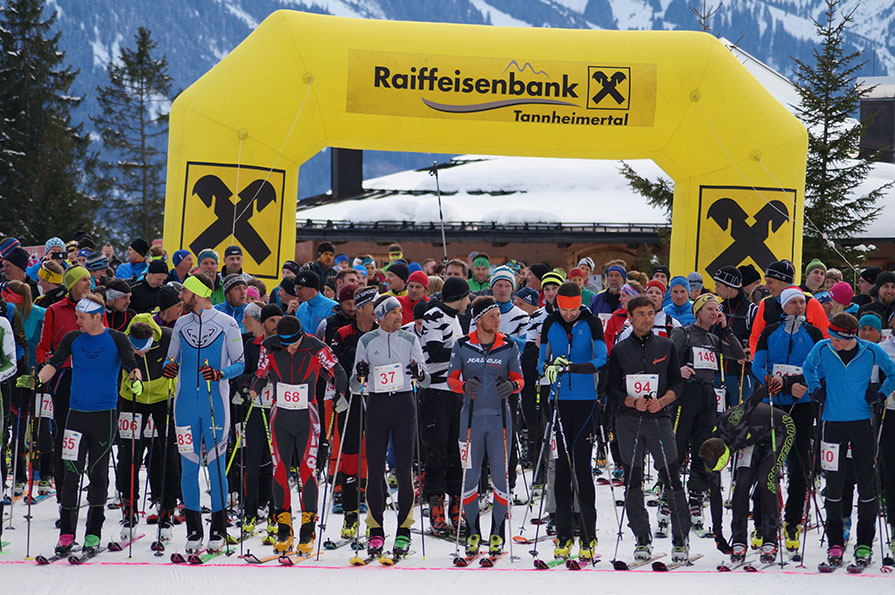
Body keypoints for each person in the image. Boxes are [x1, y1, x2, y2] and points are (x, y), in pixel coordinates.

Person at [38, 293, 140, 556]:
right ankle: (67, 534)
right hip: (76, 415)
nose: (77, 321)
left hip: (104, 416)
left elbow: (131, 365)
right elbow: (54, 363)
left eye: (82, 317)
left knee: (97, 474)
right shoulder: (73, 338)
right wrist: (37, 379)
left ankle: (93, 533)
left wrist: (136, 379)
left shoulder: (117, 339)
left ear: (97, 316)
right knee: (71, 474)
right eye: (76, 317)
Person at [803, 312, 895, 568]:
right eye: (831, 338)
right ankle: (835, 543)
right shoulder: (823, 347)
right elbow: (808, 367)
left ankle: (864, 543)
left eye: (838, 340)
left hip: (862, 423)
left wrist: (881, 394)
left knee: (867, 484)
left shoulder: (871, 351)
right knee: (834, 484)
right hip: (832, 424)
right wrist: (814, 388)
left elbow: (892, 373)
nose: (833, 343)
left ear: (850, 337)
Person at [250, 315, 347, 554]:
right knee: (280, 471)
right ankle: (284, 530)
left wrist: (341, 393)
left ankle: (307, 530)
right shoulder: (269, 346)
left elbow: (338, 371)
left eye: (293, 343)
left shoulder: (316, 346)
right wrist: (251, 391)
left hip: (307, 417)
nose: (290, 348)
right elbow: (260, 374)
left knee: (307, 471)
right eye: (285, 344)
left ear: (301, 335)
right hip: (280, 417)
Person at [163, 272, 245, 553]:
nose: (181, 296)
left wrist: (221, 373)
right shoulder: (181, 323)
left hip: (215, 406)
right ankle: (194, 530)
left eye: (185, 292)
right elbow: (170, 359)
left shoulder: (227, 323)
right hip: (184, 405)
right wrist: (169, 368)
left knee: (216, 466)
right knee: (188, 467)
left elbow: (240, 364)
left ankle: (219, 529)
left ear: (198, 293)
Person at [607, 295, 690, 563]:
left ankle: (680, 538)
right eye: (641, 314)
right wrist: (631, 401)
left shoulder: (666, 345)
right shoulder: (620, 350)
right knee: (633, 480)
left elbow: (677, 383)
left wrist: (662, 401)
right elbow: (610, 388)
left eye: (650, 313)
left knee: (671, 477)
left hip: (659, 419)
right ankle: (642, 537)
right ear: (630, 318)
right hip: (629, 421)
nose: (646, 318)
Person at [351, 295, 429, 559]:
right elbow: (354, 385)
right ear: (380, 316)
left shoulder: (409, 339)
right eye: (394, 312)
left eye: (399, 311)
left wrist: (419, 373)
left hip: (404, 405)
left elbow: (426, 379)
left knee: (404, 469)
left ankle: (404, 530)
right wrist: (360, 372)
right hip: (377, 405)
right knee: (375, 470)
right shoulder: (366, 341)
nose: (399, 316)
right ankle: (375, 530)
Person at [447, 296, 524, 557]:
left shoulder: (508, 345)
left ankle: (497, 533)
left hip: (499, 420)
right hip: (470, 420)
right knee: (470, 476)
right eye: (492, 315)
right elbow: (451, 379)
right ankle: (472, 532)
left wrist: (512, 386)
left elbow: (520, 379)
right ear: (479, 319)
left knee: (500, 475)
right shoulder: (462, 345)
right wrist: (463, 386)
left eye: (499, 315)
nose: (498, 320)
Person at [750, 286, 823, 552]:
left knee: (798, 465)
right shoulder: (771, 331)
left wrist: (797, 383)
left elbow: (819, 368)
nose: (799, 307)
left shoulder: (813, 333)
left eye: (802, 302)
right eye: (793, 302)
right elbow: (757, 366)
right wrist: (775, 383)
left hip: (802, 404)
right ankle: (762, 523)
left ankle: (792, 522)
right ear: (783, 306)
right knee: (766, 465)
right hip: (773, 403)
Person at [538, 282, 607, 561]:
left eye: (573, 309)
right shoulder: (550, 322)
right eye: (564, 310)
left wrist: (573, 367)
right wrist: (549, 368)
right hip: (557, 402)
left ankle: (588, 537)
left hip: (585, 402)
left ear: (580, 304)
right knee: (562, 470)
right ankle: (564, 535)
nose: (568, 314)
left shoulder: (591, 322)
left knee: (582, 468)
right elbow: (541, 361)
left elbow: (601, 358)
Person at [669, 293, 745, 535]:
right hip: (686, 395)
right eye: (710, 309)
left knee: (704, 448)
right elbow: (665, 357)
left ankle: (696, 498)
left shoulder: (713, 338)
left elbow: (739, 355)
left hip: (708, 395)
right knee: (677, 446)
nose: (714, 313)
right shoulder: (684, 333)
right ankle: (668, 496)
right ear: (698, 312)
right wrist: (678, 369)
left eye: (717, 310)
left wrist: (727, 329)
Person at [699, 385, 794, 564]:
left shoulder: (733, 423)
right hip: (751, 438)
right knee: (742, 484)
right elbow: (715, 496)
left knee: (766, 479)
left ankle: (770, 539)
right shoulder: (710, 451)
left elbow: (751, 402)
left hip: (779, 427)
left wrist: (764, 389)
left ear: (725, 456)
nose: (719, 472)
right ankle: (739, 540)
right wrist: (718, 534)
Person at [115, 315, 179, 542]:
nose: (141, 354)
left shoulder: (169, 337)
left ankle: (167, 510)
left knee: (168, 454)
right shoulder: (122, 340)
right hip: (132, 400)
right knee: (129, 455)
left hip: (164, 400)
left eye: (145, 349)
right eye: (136, 350)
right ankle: (129, 509)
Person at [36, 265, 94, 502]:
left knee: (89, 435)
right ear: (71, 284)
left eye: (90, 279)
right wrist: (46, 367)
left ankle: (92, 488)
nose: (89, 283)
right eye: (84, 280)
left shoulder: (96, 309)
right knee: (65, 436)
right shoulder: (54, 310)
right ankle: (64, 495)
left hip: (91, 379)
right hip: (64, 378)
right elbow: (43, 347)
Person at [420, 276, 471, 535]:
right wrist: (465, 350)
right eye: (467, 297)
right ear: (460, 297)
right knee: (436, 452)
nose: (468, 302)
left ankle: (456, 504)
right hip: (436, 392)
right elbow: (435, 350)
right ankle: (436, 505)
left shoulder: (454, 318)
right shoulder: (434, 315)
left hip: (455, 392)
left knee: (456, 452)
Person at [330, 286, 379, 538]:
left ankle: (374, 518)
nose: (377, 310)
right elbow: (333, 364)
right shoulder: (342, 333)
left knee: (375, 458)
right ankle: (350, 516)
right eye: (373, 305)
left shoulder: (384, 332)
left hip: (378, 399)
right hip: (351, 400)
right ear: (360, 308)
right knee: (349, 457)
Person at [233, 303, 281, 538]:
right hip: (255, 408)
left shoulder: (286, 345)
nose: (276, 325)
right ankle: (249, 512)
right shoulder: (252, 345)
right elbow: (240, 374)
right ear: (264, 322)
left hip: (279, 409)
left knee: (275, 463)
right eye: (272, 321)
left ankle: (275, 513)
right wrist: (254, 380)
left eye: (279, 321)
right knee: (251, 462)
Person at [749, 260, 829, 356]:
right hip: (772, 363)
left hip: (804, 363)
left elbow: (826, 338)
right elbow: (755, 337)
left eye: (770, 282)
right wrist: (759, 361)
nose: (766, 287)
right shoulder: (766, 303)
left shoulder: (810, 302)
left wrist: (814, 362)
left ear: (784, 281)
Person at [713, 266, 757, 405]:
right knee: (718, 414)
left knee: (740, 414)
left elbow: (760, 339)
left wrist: (752, 351)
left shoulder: (751, 310)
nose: (715, 290)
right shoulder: (718, 308)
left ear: (729, 287)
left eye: (718, 286)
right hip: (719, 373)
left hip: (742, 374)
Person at [294, 270, 337, 338]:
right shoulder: (301, 308)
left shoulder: (333, 308)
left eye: (299, 289)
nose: (296, 293)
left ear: (312, 288)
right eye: (295, 289)